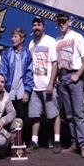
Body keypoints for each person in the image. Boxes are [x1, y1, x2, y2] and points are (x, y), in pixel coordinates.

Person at [55, 12, 84, 158]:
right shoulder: (57, 40)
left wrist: (77, 74)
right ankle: (75, 143)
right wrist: (58, 76)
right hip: (63, 77)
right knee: (69, 115)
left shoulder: (77, 36)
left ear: (69, 22)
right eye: (59, 22)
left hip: (74, 75)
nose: (61, 24)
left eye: (64, 21)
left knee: (78, 113)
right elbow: (57, 61)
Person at [27, 16, 61, 154]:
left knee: (54, 114)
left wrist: (51, 84)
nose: (36, 27)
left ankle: (57, 141)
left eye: (39, 25)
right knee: (35, 115)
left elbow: (55, 64)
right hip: (35, 87)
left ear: (44, 27)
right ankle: (34, 141)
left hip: (48, 85)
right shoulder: (31, 44)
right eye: (34, 25)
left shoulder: (50, 41)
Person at [0, 28, 34, 144]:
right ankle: (7, 142)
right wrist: (2, 89)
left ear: (22, 39)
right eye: (12, 36)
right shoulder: (7, 53)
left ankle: (19, 143)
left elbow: (29, 73)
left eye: (16, 37)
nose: (13, 39)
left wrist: (27, 91)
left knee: (21, 118)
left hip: (21, 92)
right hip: (9, 93)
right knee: (7, 118)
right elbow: (2, 70)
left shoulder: (27, 53)